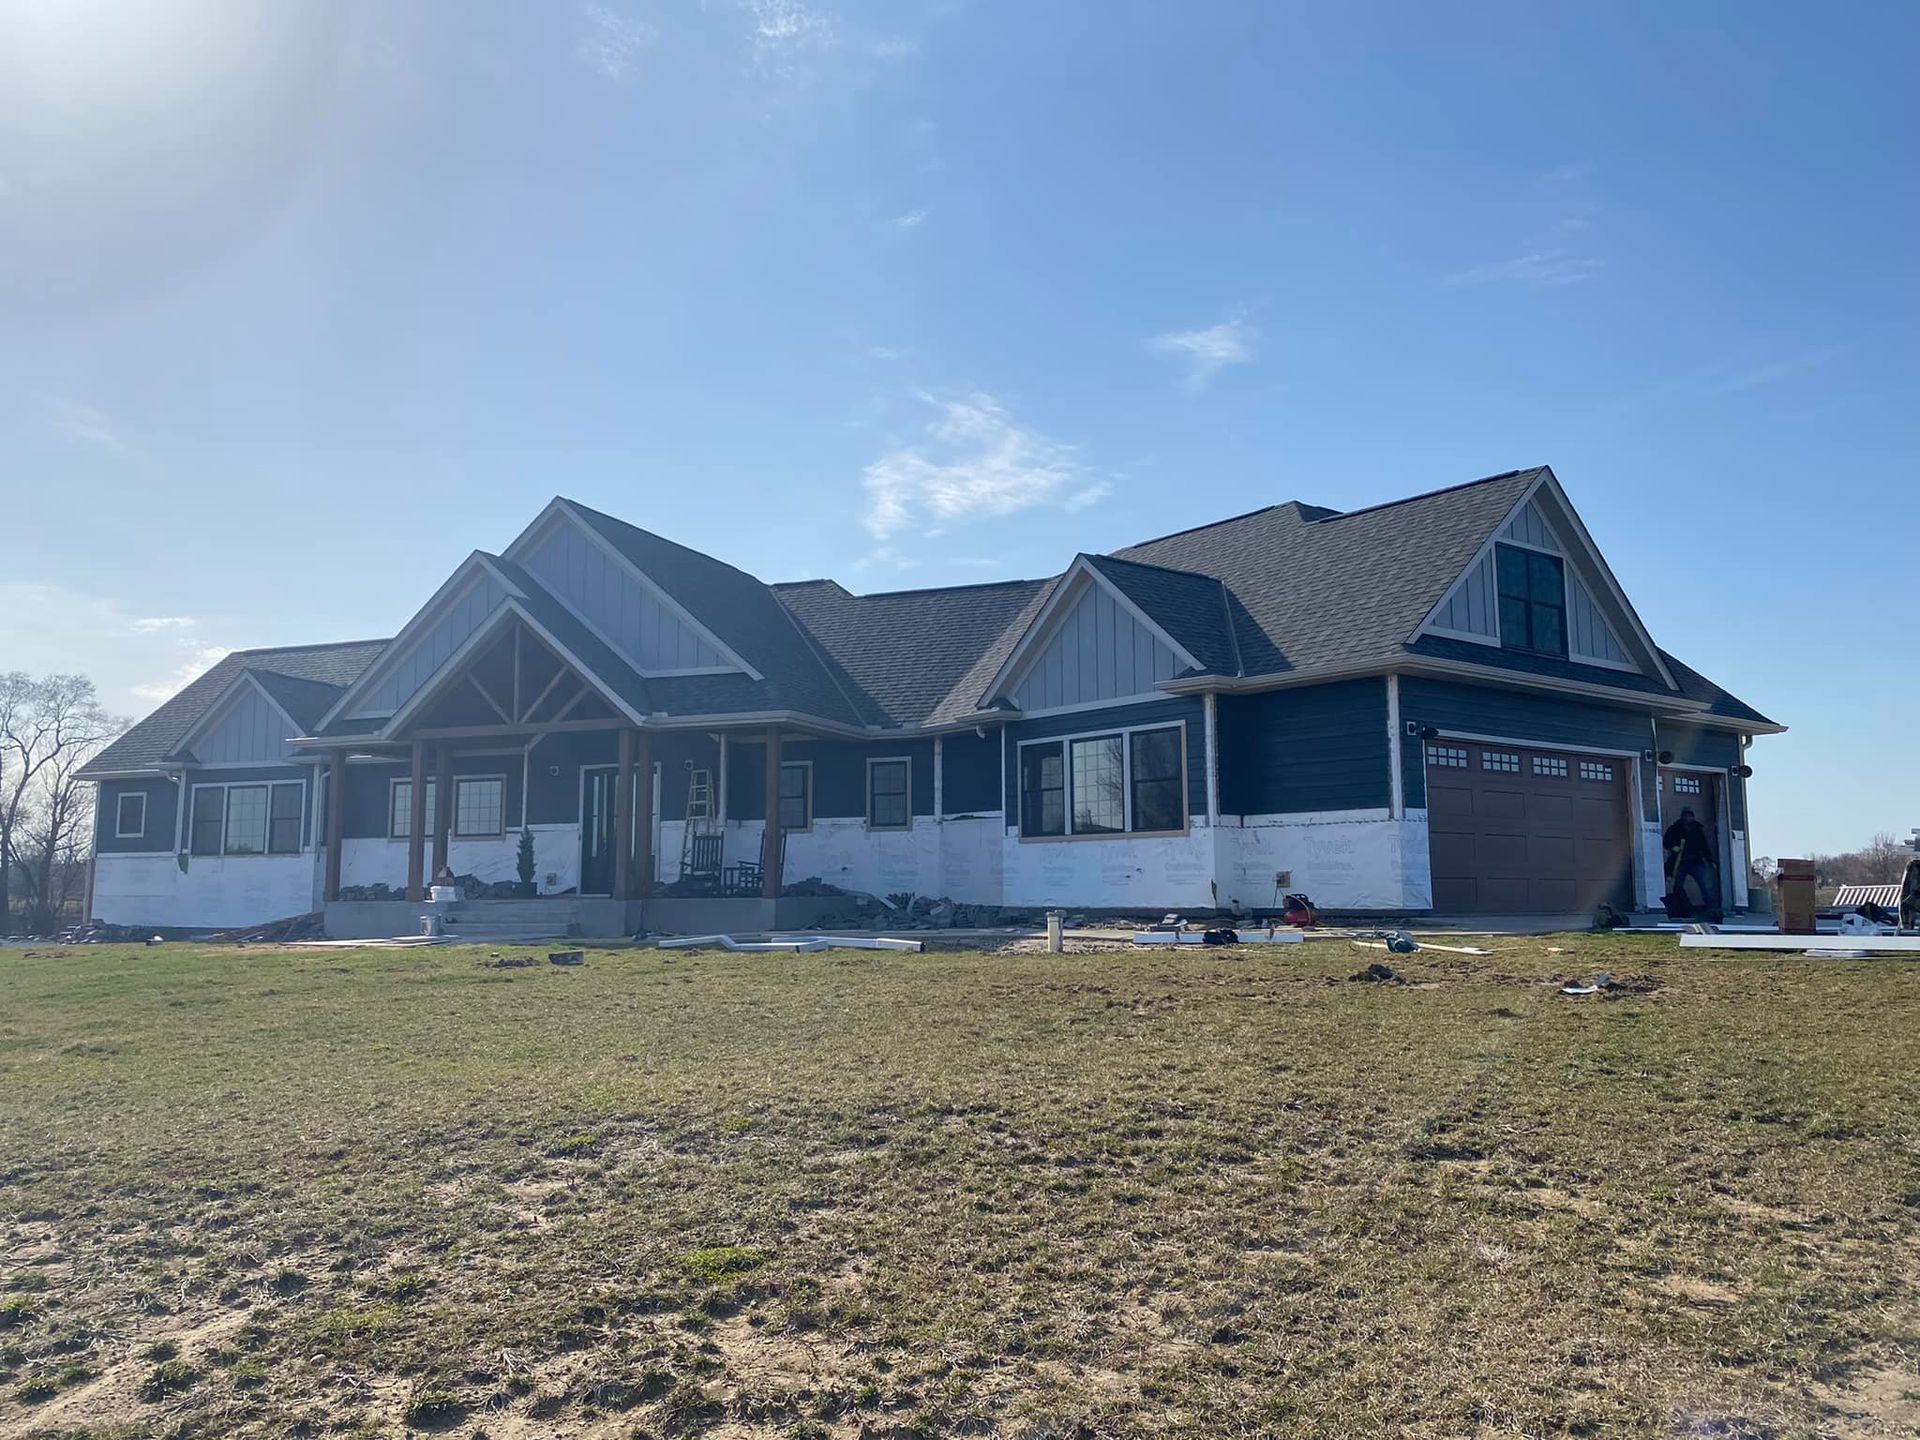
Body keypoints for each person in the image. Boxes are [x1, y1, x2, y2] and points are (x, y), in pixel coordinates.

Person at [1663, 806, 1719, 914]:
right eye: (1685, 816)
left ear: (1693, 817)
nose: (1688, 818)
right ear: (1682, 817)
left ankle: (1712, 908)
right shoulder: (1674, 829)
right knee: (1677, 886)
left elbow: (1704, 845)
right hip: (1680, 862)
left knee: (1706, 885)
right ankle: (1679, 908)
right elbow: (1667, 842)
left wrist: (1709, 858)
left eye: (1690, 816)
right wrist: (1674, 847)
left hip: (1696, 861)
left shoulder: (1697, 829)